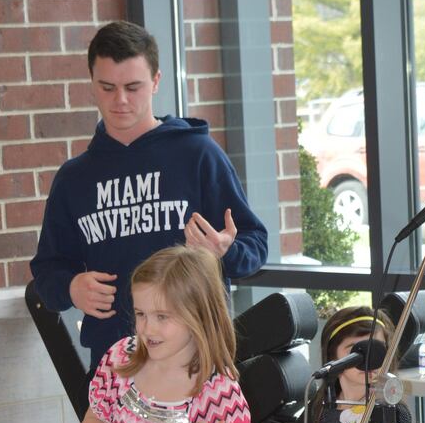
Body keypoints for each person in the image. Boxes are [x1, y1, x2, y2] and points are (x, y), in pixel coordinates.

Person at [30, 20, 267, 399]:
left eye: (133, 87)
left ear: (156, 81)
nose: (120, 100)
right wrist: (71, 287)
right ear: (92, 83)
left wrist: (224, 252)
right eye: (107, 87)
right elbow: (46, 269)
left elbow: (255, 246)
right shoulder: (73, 179)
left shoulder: (199, 155)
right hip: (114, 369)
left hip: (197, 365)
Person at [82, 245, 250, 423]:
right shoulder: (119, 357)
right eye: (140, 314)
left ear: (199, 315)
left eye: (162, 316)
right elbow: (95, 418)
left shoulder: (220, 396)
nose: (147, 328)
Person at [309, 306, 412, 423]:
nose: (369, 360)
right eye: (357, 351)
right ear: (333, 356)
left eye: (376, 349)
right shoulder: (320, 407)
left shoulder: (395, 413)